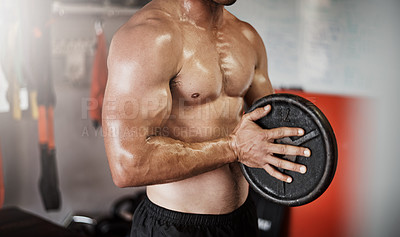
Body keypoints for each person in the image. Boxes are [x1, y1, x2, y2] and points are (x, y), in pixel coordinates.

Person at [103, 0, 310, 236]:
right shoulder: (148, 36)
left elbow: (270, 126)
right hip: (176, 227)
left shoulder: (247, 36)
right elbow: (128, 165)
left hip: (242, 219)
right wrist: (233, 148)